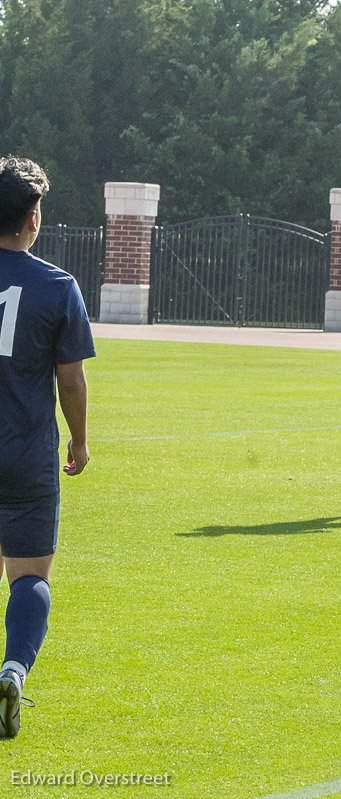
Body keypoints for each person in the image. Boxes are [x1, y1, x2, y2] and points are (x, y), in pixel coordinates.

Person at [0, 156, 94, 738]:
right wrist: (80, 442)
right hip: (26, 453)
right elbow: (71, 380)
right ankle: (12, 670)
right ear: (34, 218)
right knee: (30, 573)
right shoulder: (58, 286)